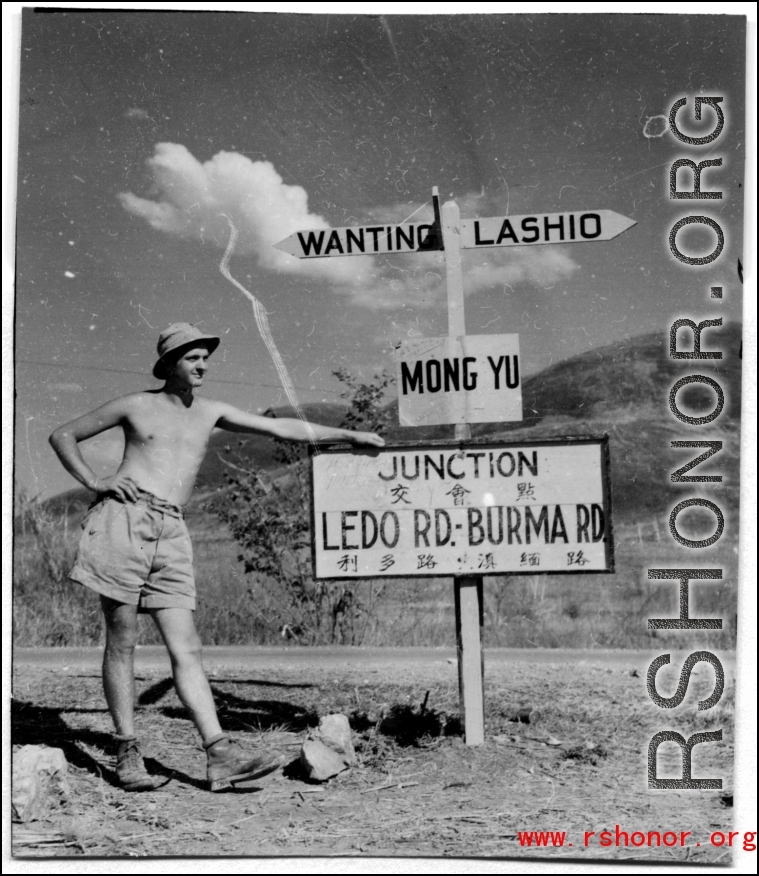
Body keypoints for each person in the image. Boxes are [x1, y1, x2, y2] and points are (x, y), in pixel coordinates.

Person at [49, 322, 385, 792]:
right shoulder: (135, 404)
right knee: (122, 639)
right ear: (169, 363)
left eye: (205, 356)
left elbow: (278, 426)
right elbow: (63, 435)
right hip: (123, 520)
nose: (202, 364)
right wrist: (95, 481)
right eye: (191, 357)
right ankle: (127, 752)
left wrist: (349, 436)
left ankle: (219, 754)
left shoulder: (210, 410)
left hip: (172, 528)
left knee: (186, 646)